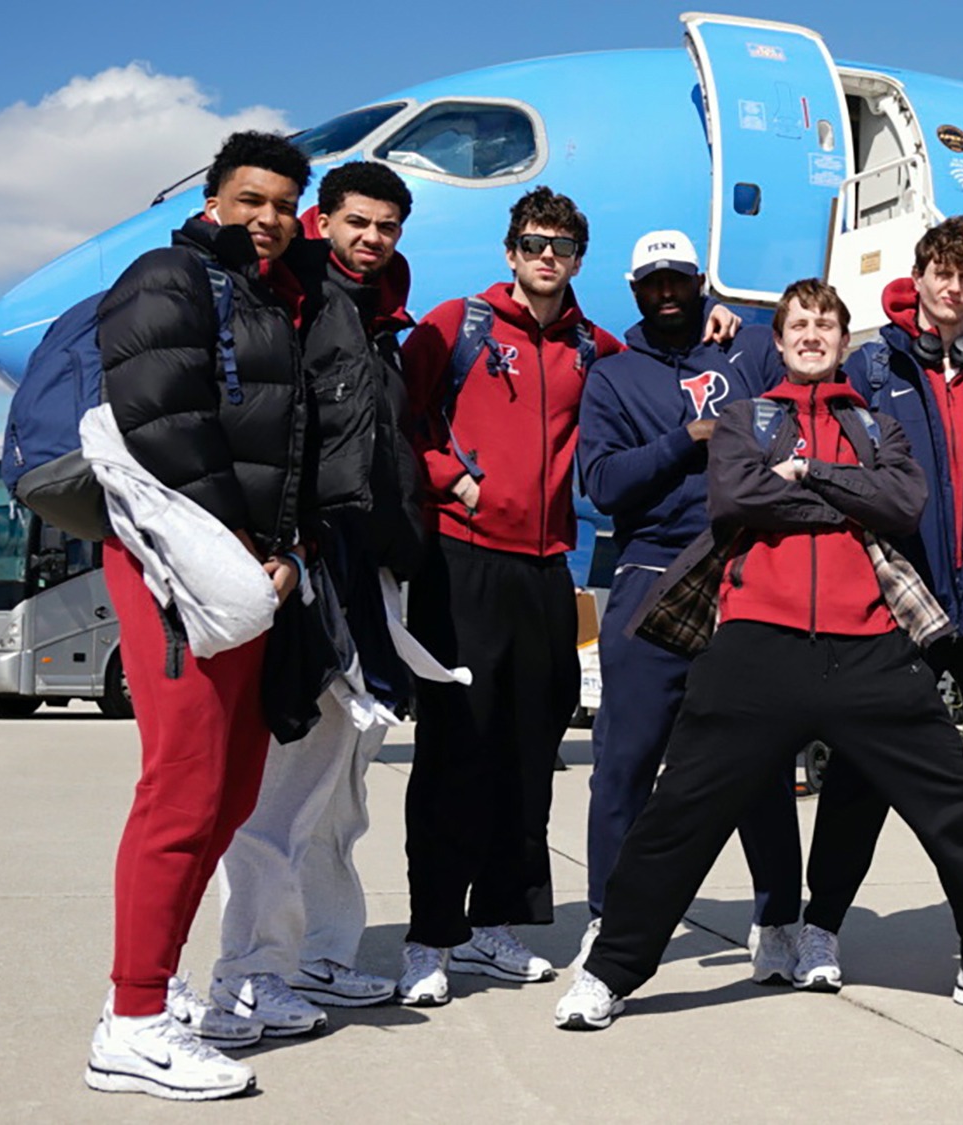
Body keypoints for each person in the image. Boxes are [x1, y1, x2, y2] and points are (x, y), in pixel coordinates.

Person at [554, 279, 963, 1028]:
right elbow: (738, 500)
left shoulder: (879, 426)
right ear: (777, 342)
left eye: (826, 324)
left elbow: (902, 503)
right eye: (799, 324)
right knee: (678, 814)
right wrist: (849, 494)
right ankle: (612, 969)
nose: (812, 334)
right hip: (756, 643)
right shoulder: (745, 417)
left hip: (871, 645)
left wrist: (810, 474)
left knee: (954, 810)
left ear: (846, 340)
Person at [84, 130, 320, 1101]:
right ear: (214, 198)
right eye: (250, 199)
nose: (266, 218)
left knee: (226, 795)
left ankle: (153, 989)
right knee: (181, 791)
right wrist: (241, 550)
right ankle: (131, 1022)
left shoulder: (260, 295)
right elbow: (162, 417)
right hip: (180, 565)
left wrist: (278, 550)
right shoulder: (170, 276)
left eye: (281, 203)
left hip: (238, 570)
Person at [209, 161, 428, 1036]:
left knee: (342, 785)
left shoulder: (372, 317)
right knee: (284, 787)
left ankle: (322, 954)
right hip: (309, 564)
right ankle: (250, 973)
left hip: (362, 563)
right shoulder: (295, 300)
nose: (371, 238)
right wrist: (284, 546)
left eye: (387, 226)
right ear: (323, 222)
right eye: (357, 222)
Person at [397, 187, 621, 1005]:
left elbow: (666, 387)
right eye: (533, 241)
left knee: (531, 751)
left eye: (561, 244)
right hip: (463, 560)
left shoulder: (596, 348)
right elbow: (403, 418)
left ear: (577, 256)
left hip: (547, 568)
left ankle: (495, 921)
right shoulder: (458, 326)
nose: (546, 256)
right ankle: (430, 934)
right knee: (457, 745)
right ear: (510, 250)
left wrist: (716, 322)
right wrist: (450, 479)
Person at [791, 215, 963, 990]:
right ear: (918, 276)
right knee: (860, 776)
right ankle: (820, 927)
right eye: (941, 273)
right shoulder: (871, 365)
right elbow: (796, 382)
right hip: (903, 605)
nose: (953, 289)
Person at [574, 228, 801, 981]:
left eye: (681, 279)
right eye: (653, 281)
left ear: (700, 281)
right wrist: (686, 438)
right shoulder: (613, 375)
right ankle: (609, 919)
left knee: (758, 760)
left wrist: (738, 316)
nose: (668, 292)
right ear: (634, 288)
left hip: (743, 568)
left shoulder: (747, 349)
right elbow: (602, 485)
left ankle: (778, 920)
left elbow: (804, 375)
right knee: (625, 758)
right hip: (651, 572)